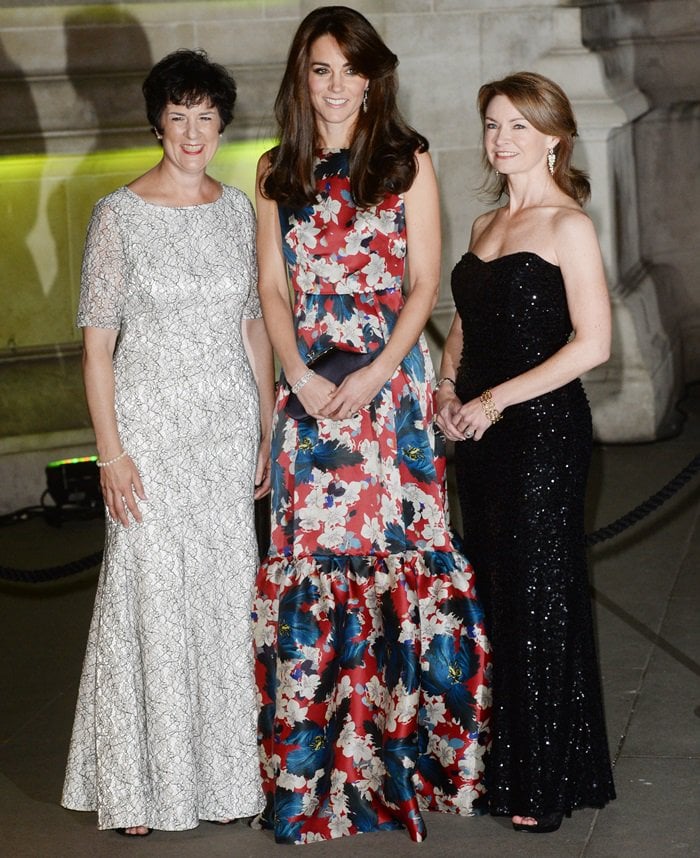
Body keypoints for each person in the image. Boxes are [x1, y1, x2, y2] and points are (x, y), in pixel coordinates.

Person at [251, 6, 491, 846]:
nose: (338, 86)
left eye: (351, 70)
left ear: (372, 76)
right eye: (322, 70)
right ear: (302, 77)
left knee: (399, 570)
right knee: (314, 575)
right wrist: (300, 377)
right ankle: (318, 781)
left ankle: (406, 769)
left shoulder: (406, 159)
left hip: (391, 393)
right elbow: (273, 291)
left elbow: (426, 282)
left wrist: (382, 371)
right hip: (311, 391)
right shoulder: (275, 169)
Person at [61, 49, 274, 835]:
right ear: (159, 122)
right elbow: (96, 347)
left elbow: (254, 322)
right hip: (147, 429)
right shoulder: (117, 214)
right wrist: (109, 452)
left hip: (224, 428)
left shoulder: (236, 209)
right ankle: (139, 785)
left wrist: (267, 421)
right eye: (179, 117)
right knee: (144, 596)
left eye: (206, 118)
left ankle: (225, 784)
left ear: (222, 124)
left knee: (223, 600)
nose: (193, 133)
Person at [436, 71, 616, 834]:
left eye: (517, 126)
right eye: (492, 125)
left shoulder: (568, 225)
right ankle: (501, 766)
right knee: (496, 597)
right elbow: (466, 325)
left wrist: (492, 401)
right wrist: (446, 390)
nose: (501, 139)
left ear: (553, 138)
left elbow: (595, 345)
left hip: (542, 437)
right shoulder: (483, 225)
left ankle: (544, 781)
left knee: (541, 597)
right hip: (477, 440)